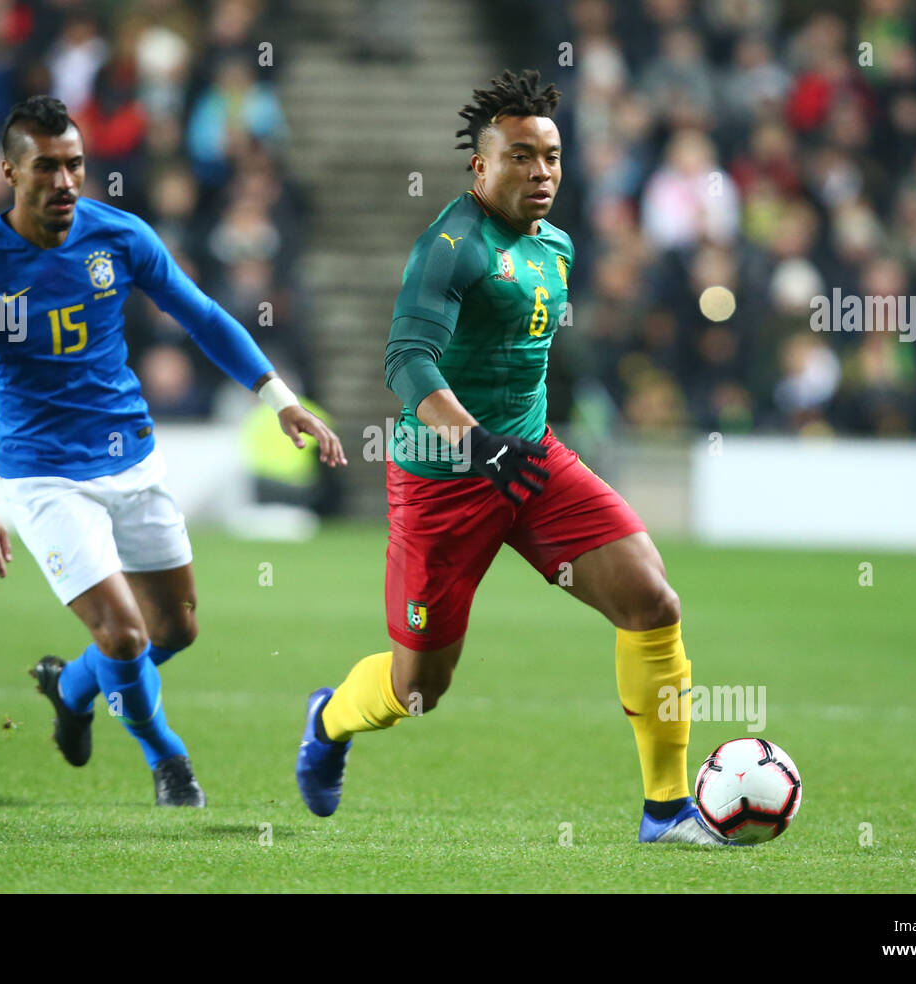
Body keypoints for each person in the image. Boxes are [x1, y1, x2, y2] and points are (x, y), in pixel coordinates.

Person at [295, 70, 724, 844]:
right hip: (444, 480)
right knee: (418, 689)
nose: (541, 172)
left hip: (529, 463)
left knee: (653, 603)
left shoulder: (556, 244)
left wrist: (512, 442)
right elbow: (406, 362)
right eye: (521, 156)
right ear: (480, 167)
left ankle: (666, 811)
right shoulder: (451, 247)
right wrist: (474, 441)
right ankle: (328, 720)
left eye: (552, 157)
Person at [0, 95, 344, 806]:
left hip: (133, 459)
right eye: (46, 168)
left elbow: (204, 316)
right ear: (8, 171)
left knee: (174, 629)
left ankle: (70, 687)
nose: (64, 182)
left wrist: (279, 399)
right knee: (123, 635)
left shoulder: (118, 236)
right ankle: (169, 761)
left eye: (75, 166)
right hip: (45, 476)